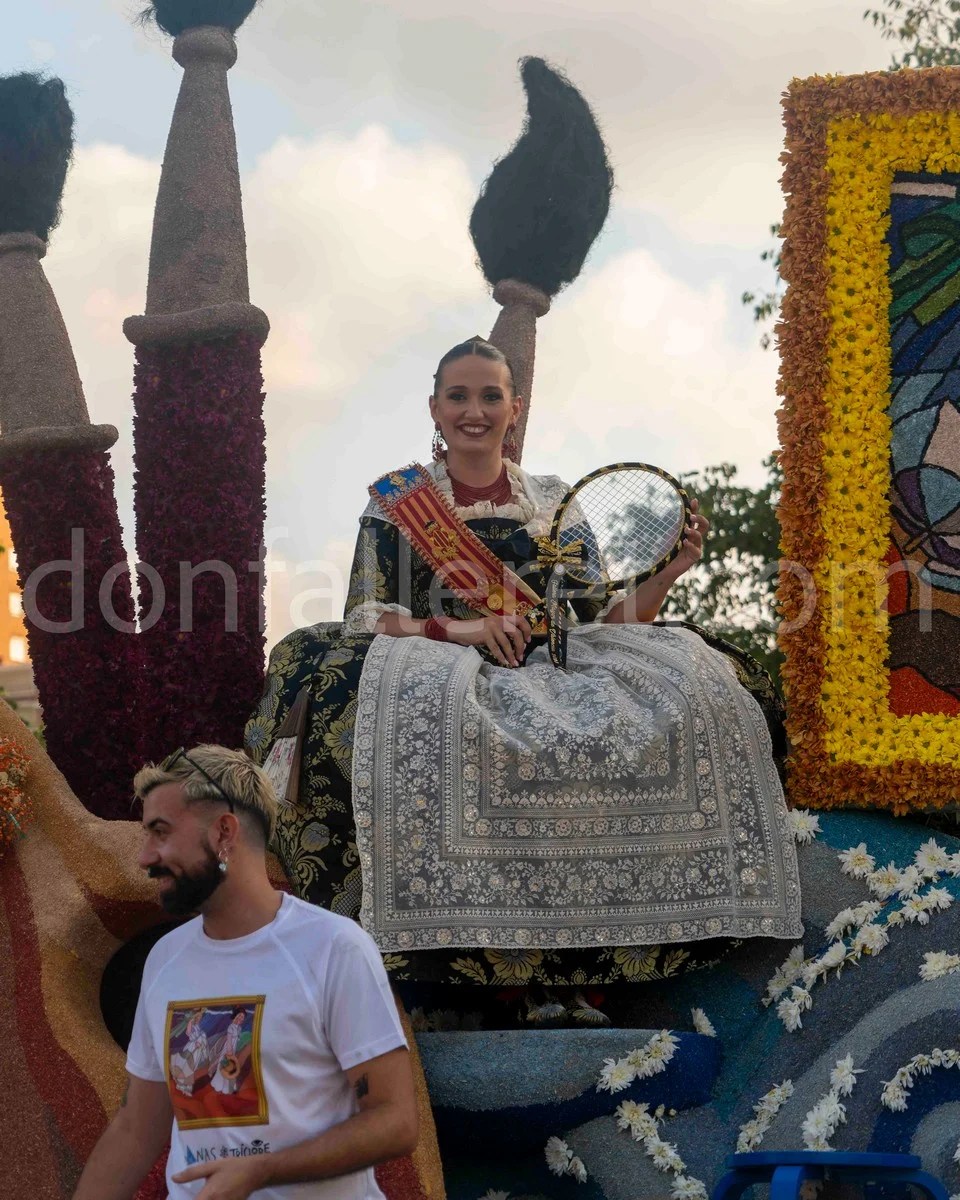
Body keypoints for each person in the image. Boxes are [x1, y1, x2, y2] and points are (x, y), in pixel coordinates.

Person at [245, 337, 800, 1012]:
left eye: (489, 396)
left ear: (515, 407)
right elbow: (368, 618)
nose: (473, 410)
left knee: (706, 686)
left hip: (559, 664)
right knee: (332, 684)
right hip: (437, 664)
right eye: (458, 395)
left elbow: (603, 621)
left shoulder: (553, 500)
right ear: (434, 406)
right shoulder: (398, 502)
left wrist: (671, 570)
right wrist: (463, 629)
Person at [72, 745, 417, 1200]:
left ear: (224, 833)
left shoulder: (333, 948)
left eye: (160, 831)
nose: (144, 857)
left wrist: (265, 1170)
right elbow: (137, 1128)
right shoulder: (164, 958)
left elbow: (395, 1121)